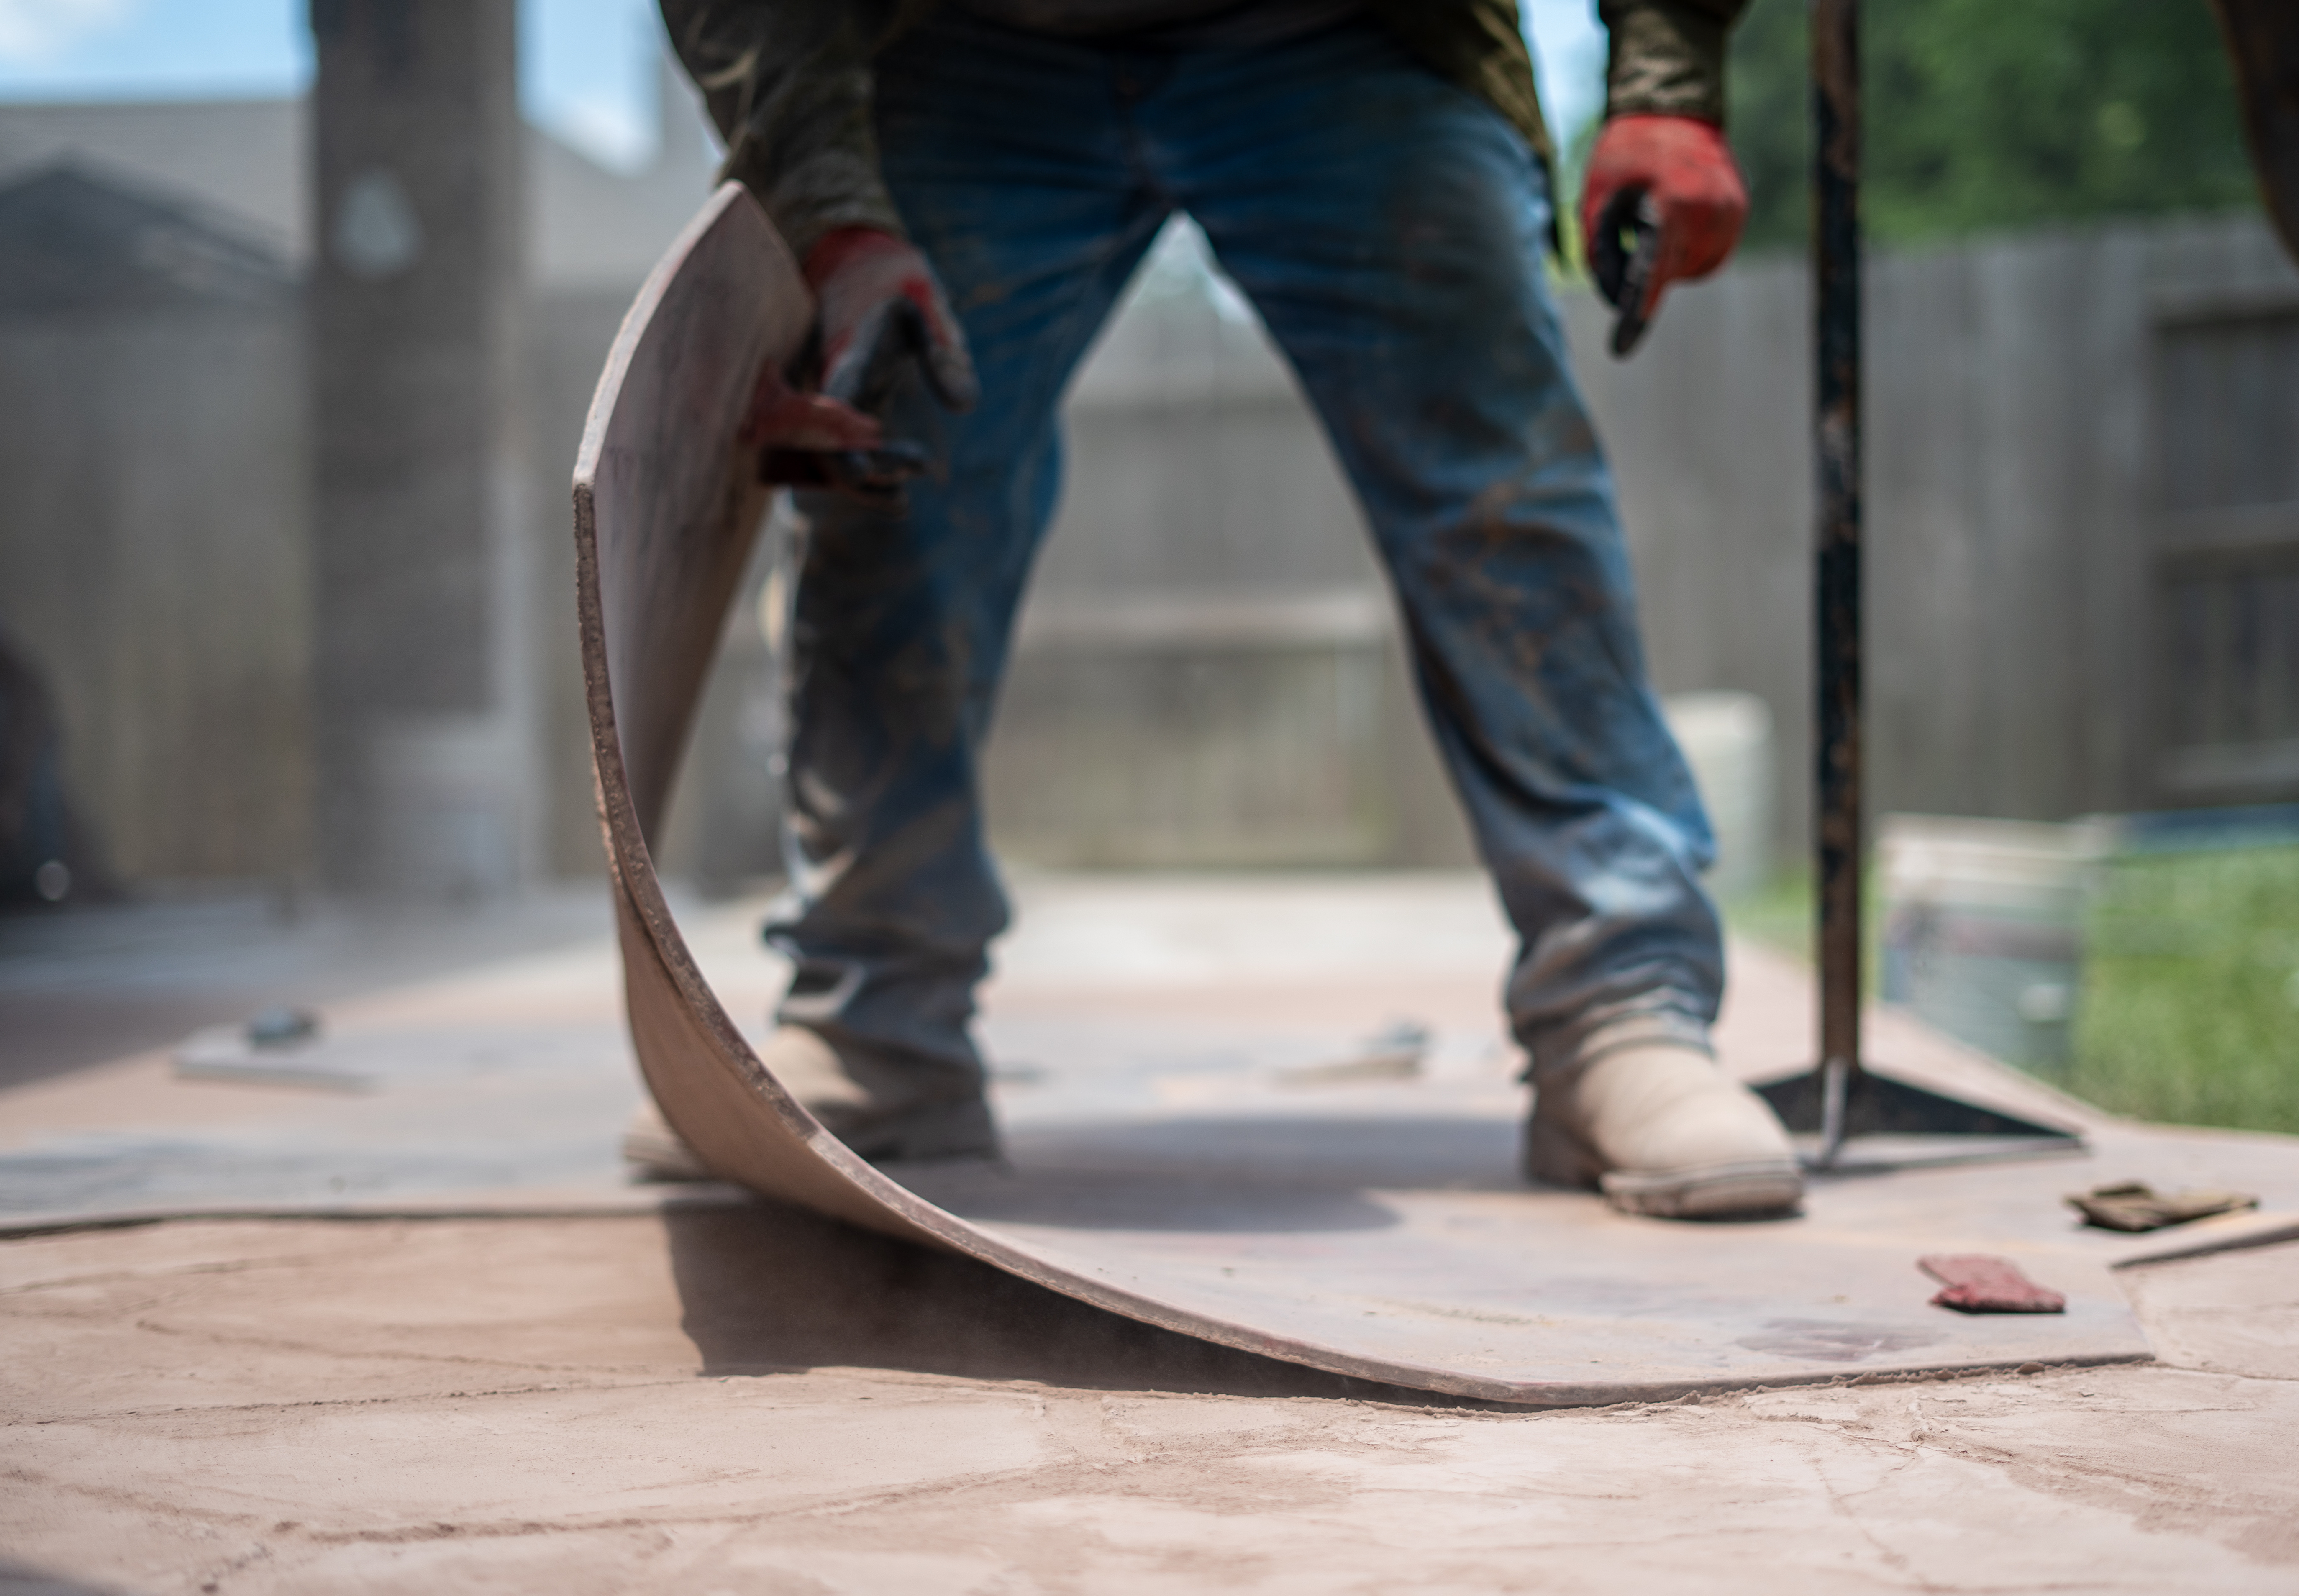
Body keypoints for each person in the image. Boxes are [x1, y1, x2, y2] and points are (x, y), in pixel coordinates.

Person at [647, 0, 1802, 1218]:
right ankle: (876, 1026)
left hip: (1345, 30)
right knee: (892, 466)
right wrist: (829, 210)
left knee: (1501, 486)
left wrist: (1666, 80)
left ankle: (1623, 1012)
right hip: (960, 36)